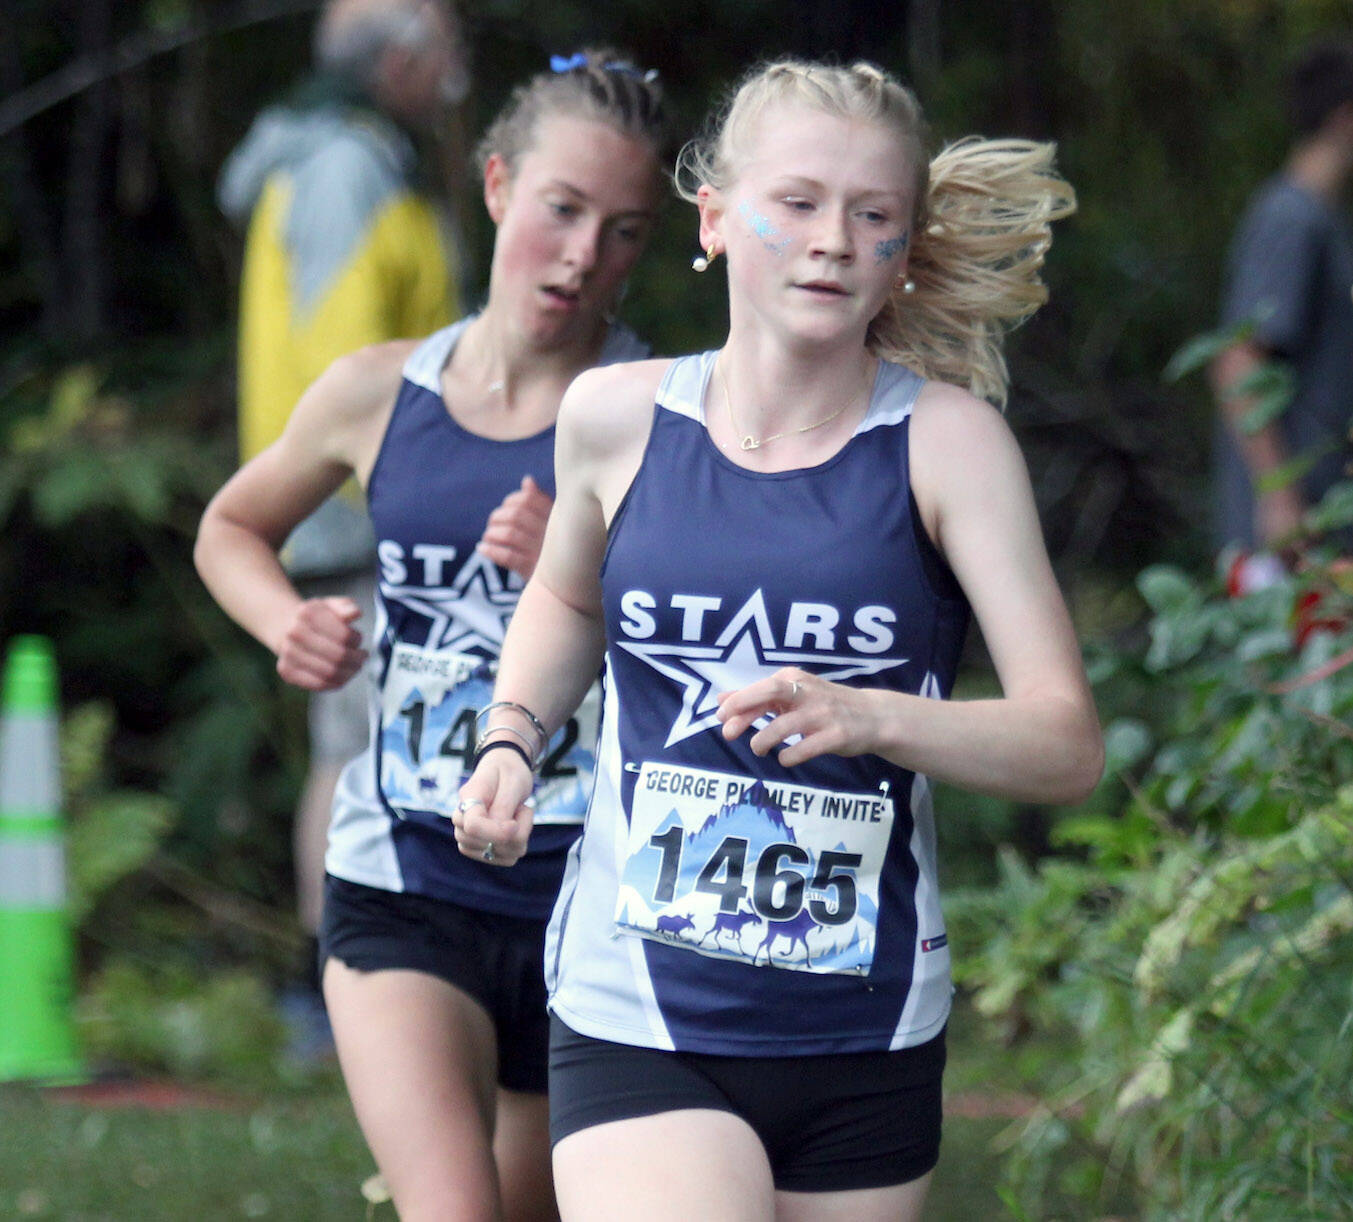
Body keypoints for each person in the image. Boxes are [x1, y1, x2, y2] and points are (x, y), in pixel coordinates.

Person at [455, 59, 1103, 1221]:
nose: (833, 241)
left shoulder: (950, 447)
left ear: (905, 248)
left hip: (865, 1031)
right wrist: (510, 735)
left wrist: (871, 715)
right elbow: (567, 600)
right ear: (713, 219)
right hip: (639, 1011)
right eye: (798, 202)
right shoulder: (614, 417)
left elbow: (1066, 745)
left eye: (872, 214)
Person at [196, 51, 668, 1221]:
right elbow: (230, 528)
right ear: (498, 185)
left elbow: (713, 646)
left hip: (583, 895)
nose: (582, 255)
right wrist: (287, 622)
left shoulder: (660, 411)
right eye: (563, 208)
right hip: (400, 873)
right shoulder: (375, 392)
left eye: (622, 231)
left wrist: (586, 570)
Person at [216, 0, 468, 1001]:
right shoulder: (344, 167)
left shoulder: (344, 154)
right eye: (443, 49)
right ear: (398, 61)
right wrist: (421, 495)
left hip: (366, 501)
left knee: (356, 737)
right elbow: (346, 359)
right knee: (358, 742)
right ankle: (335, 979)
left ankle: (348, 976)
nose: (454, 70)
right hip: (363, 508)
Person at [1210, 38, 1353, 557]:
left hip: (1324, 535)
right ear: (1344, 117)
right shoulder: (1291, 219)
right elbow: (1238, 360)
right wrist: (1279, 498)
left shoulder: (1324, 220)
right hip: (1288, 547)